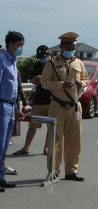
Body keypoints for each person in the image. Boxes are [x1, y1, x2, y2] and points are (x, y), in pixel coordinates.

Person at [40, 32, 89, 182]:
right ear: (62, 47)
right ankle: (53, 171)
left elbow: (86, 79)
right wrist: (61, 85)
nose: (72, 48)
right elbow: (44, 83)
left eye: (74, 45)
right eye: (69, 45)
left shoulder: (79, 63)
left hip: (74, 106)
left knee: (74, 139)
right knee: (55, 140)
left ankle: (71, 171)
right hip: (57, 106)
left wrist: (83, 84)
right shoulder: (52, 63)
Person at [13, 45, 53, 156]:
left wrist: (44, 79)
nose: (42, 59)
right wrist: (37, 79)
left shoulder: (54, 65)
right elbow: (33, 80)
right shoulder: (37, 64)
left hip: (52, 100)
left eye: (44, 56)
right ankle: (26, 147)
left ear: (49, 54)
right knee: (32, 125)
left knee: (51, 126)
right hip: (39, 100)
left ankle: (47, 147)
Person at [0, 31, 27, 191]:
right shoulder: (2, 61)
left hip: (11, 106)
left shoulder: (14, 61)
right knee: (0, 142)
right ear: (11, 44)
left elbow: (15, 88)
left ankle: (1, 177)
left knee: (4, 145)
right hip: (2, 105)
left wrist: (17, 107)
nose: (21, 48)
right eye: (19, 45)